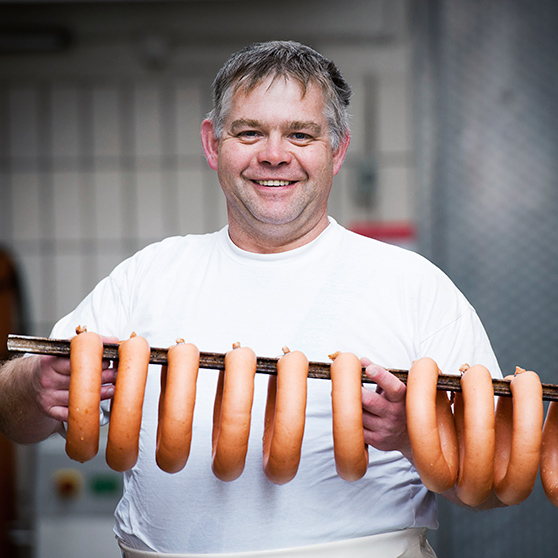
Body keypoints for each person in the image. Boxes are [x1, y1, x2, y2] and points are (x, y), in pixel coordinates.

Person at [0, 41, 505, 558]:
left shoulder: (414, 286)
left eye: (301, 134)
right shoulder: (148, 276)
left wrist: (413, 436)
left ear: (337, 149)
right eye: (249, 132)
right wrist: (32, 384)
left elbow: (491, 491)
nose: (274, 154)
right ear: (212, 144)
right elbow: (14, 420)